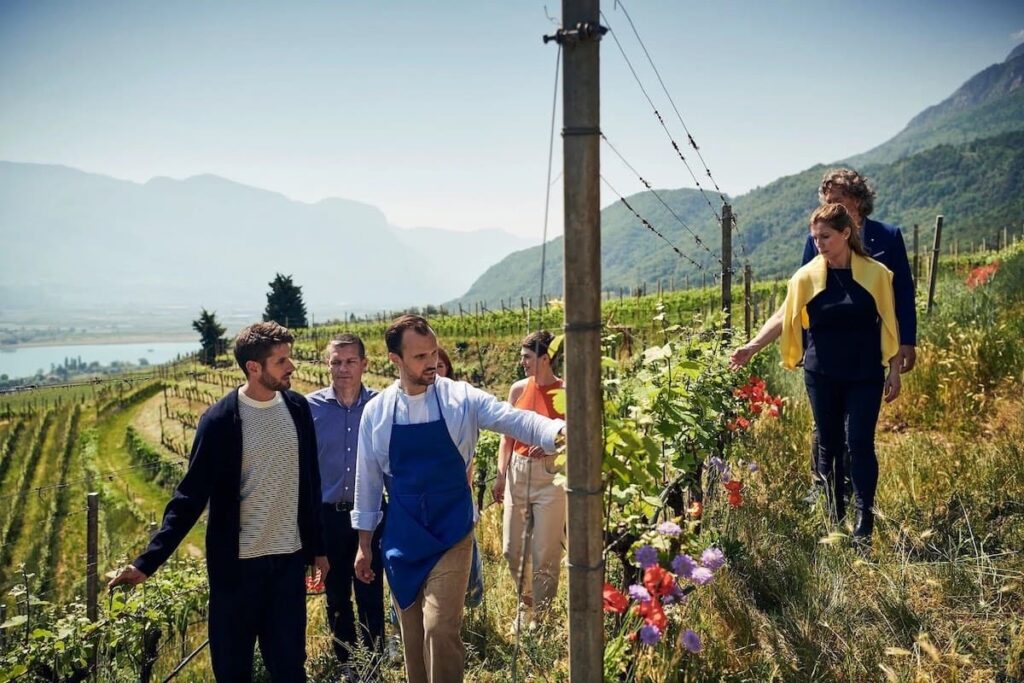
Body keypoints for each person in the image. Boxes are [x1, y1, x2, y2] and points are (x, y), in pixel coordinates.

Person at [108, 322, 329, 681]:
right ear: (253, 368)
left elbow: (310, 483)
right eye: (282, 360)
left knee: (290, 669)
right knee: (232, 671)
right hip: (237, 571)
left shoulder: (298, 409)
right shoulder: (220, 421)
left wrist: (317, 548)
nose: (292, 367)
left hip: (288, 565)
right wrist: (147, 563)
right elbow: (189, 497)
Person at [352, 315, 565, 683]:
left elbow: (512, 419)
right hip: (402, 535)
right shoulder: (378, 412)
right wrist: (364, 544)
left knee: (439, 628)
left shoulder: (459, 397)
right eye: (420, 357)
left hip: (452, 530)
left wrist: (557, 432)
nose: (431, 362)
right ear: (395, 361)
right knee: (413, 635)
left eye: (434, 353)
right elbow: (368, 480)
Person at [730, 204, 901, 541]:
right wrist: (751, 347)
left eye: (825, 236)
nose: (819, 243)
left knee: (860, 443)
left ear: (846, 234)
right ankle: (833, 517)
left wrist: (894, 370)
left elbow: (889, 323)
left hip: (865, 373)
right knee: (830, 444)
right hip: (821, 373)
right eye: (815, 237)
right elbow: (783, 316)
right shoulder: (805, 277)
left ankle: (864, 523)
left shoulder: (876, 274)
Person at [307, 334, 385, 669]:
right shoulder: (309, 409)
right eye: (336, 362)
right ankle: (346, 663)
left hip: (370, 513)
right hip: (328, 517)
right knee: (336, 593)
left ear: (364, 364)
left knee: (370, 589)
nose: (343, 369)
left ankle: (374, 661)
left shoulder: (380, 406)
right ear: (328, 365)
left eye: (350, 361)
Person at [491, 330, 565, 628]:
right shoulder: (517, 389)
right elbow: (506, 438)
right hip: (517, 472)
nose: (522, 363)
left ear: (545, 359)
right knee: (512, 548)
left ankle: (541, 619)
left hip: (551, 474)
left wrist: (552, 443)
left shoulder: (566, 391)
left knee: (545, 551)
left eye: (527, 357)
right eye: (521, 357)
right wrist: (500, 474)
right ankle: (527, 604)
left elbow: (575, 437)